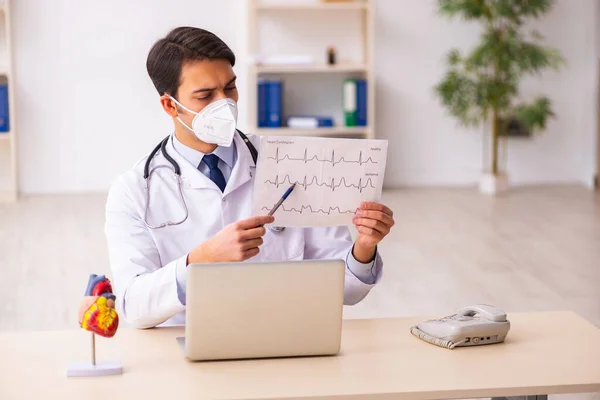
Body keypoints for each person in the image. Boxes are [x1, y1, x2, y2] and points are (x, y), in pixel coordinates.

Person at [105, 27, 395, 329]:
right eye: (205, 95)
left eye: (230, 88)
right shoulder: (134, 190)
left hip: (286, 337)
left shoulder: (293, 160)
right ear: (170, 105)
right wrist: (201, 260)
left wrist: (364, 246)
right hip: (190, 346)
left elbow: (346, 289)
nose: (225, 104)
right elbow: (134, 306)